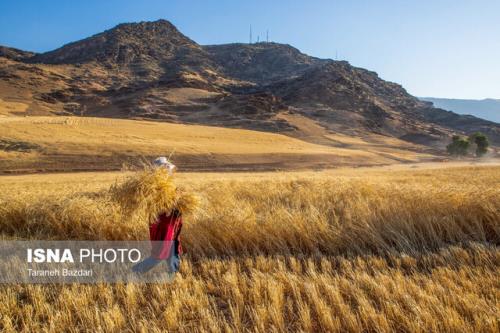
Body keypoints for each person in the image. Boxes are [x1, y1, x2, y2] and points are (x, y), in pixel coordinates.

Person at [132, 157, 182, 281]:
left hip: (171, 221)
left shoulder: (167, 184)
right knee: (160, 253)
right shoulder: (155, 186)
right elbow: (161, 206)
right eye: (166, 169)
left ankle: (173, 274)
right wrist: (174, 201)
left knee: (173, 247)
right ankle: (136, 271)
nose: (169, 171)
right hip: (163, 223)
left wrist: (179, 197)